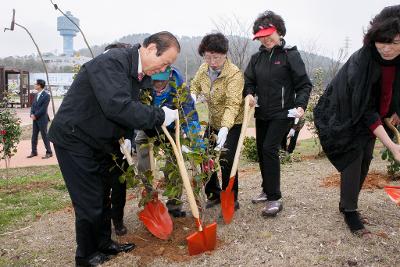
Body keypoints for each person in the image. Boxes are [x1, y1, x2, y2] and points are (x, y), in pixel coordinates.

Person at [48, 31, 180, 267]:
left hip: (99, 139)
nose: (163, 68)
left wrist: (127, 136)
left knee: (102, 195)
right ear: (150, 49)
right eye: (165, 62)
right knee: (89, 200)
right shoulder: (112, 62)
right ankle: (86, 256)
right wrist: (160, 115)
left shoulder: (136, 73)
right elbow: (117, 106)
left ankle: (104, 244)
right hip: (75, 138)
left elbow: (129, 111)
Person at [314, 5, 400, 237]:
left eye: (395, 42)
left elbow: (395, 90)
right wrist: (392, 146)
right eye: (382, 41)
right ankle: (350, 210)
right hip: (342, 112)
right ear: (373, 38)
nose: (387, 48)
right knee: (353, 157)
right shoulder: (363, 60)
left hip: (372, 115)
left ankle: (346, 203)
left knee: (366, 158)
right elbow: (364, 109)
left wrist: (395, 111)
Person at [244, 11, 312, 216]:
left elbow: (304, 84)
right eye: (261, 36)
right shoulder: (256, 58)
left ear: (279, 31)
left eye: (269, 34)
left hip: (284, 113)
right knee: (262, 151)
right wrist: (249, 94)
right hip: (262, 112)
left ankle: (275, 198)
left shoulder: (290, 55)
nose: (266, 39)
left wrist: (301, 105)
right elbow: (249, 82)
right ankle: (266, 189)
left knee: (269, 149)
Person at [135, 66, 201, 217]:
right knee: (143, 158)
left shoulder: (179, 86)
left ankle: (174, 205)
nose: (157, 85)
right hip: (148, 125)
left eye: (161, 82)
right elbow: (133, 109)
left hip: (171, 127)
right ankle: (150, 200)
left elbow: (189, 113)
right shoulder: (143, 83)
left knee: (175, 162)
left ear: (169, 76)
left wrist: (193, 139)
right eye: (155, 81)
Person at [190, 33, 244, 210]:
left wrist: (225, 128)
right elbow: (195, 85)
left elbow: (232, 104)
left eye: (217, 57)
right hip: (213, 121)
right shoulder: (203, 69)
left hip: (233, 122)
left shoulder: (234, 74)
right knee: (204, 154)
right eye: (208, 57)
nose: (212, 62)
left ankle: (231, 197)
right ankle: (213, 193)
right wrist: (191, 95)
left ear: (225, 54)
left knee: (227, 158)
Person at [103, 42, 134, 237]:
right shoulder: (99, 80)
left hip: (121, 144)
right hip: (101, 143)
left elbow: (131, 111)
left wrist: (129, 137)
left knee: (119, 184)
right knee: (101, 186)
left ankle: (118, 220)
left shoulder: (128, 81)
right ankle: (103, 221)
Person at [27, 79, 53, 159]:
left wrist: (35, 115)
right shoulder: (36, 95)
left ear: (39, 85)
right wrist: (31, 114)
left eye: (36, 84)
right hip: (35, 119)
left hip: (42, 119)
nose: (34, 85)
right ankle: (34, 152)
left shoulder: (46, 96)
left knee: (44, 135)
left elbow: (43, 109)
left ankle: (49, 152)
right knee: (34, 136)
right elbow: (33, 106)